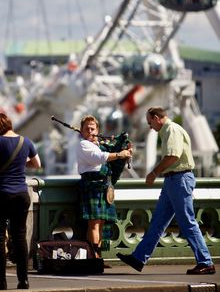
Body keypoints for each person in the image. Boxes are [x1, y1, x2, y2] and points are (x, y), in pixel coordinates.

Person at [117, 106, 216, 275]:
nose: (150, 127)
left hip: (179, 179)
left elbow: (173, 156)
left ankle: (205, 262)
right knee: (158, 222)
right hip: (173, 180)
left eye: (150, 123)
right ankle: (139, 258)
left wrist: (154, 173)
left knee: (187, 221)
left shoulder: (171, 129)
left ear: (157, 118)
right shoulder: (168, 131)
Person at [0, 112, 41, 290]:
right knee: (20, 237)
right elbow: (36, 163)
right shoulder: (25, 141)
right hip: (21, 195)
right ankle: (23, 280)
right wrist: (21, 166)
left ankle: (0, 281)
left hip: (0, 194)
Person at [76, 114, 132, 259]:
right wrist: (119, 154)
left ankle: (97, 256)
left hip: (104, 186)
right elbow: (99, 158)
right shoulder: (84, 145)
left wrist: (123, 148)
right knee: (94, 224)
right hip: (92, 186)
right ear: (81, 131)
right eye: (86, 128)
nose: (90, 131)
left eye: (92, 128)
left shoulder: (101, 145)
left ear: (97, 130)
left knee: (100, 224)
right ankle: (94, 258)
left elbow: (109, 154)